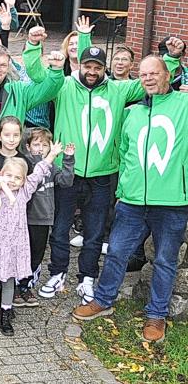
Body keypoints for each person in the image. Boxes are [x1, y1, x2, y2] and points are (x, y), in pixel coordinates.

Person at [32, 20, 184, 304]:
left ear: (105, 69)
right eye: (87, 66)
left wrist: (172, 58)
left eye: (98, 67)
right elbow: (37, 75)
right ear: (79, 65)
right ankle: (57, 273)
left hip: (103, 174)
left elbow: (152, 80)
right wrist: (33, 46)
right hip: (68, 170)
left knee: (94, 230)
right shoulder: (64, 86)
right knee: (61, 228)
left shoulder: (118, 90)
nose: (92, 71)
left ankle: (87, 277)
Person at [72, 55, 188, 343]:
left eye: (154, 73)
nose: (148, 78)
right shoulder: (132, 114)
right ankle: (103, 300)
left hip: (171, 202)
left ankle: (156, 315)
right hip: (132, 201)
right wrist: (124, 188)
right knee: (116, 252)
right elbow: (124, 153)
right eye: (144, 74)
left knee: (164, 261)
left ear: (167, 75)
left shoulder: (184, 105)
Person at [0, 149, 58, 336]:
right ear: (2, 174)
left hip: (13, 246)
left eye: (18, 177)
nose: (12, 180)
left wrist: (51, 156)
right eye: (8, 175)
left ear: (24, 180)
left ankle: (5, 315)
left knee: (9, 281)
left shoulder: (24, 192)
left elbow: (38, 172)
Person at [15, 128, 75, 307]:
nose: (40, 148)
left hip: (43, 219)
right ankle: (15, 286)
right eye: (36, 144)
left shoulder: (52, 167)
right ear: (28, 147)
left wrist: (68, 159)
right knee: (20, 253)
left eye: (44, 145)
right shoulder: (25, 163)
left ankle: (27, 286)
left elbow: (66, 181)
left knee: (36, 255)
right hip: (24, 218)